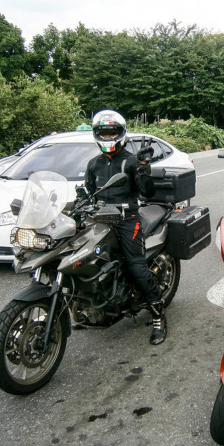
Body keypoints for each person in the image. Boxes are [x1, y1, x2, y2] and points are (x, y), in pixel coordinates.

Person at [85, 110, 167, 344]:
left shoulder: (131, 160)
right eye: (104, 133)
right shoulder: (94, 164)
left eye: (113, 132)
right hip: (100, 219)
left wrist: (143, 168)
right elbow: (89, 192)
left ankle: (158, 315)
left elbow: (147, 192)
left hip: (126, 218)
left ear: (121, 133)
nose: (109, 137)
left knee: (136, 267)